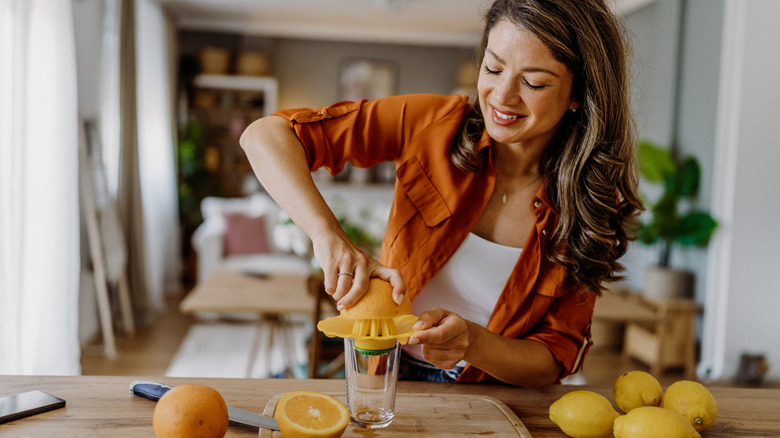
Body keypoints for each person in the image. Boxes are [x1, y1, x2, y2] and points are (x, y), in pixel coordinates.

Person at [239, 0, 642, 388]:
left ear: (578, 94)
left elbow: (554, 359)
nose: (502, 97)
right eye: (493, 68)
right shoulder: (431, 124)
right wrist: (327, 235)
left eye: (534, 82)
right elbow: (265, 136)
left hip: (497, 399)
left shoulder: (590, 204)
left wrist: (475, 344)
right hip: (384, 374)